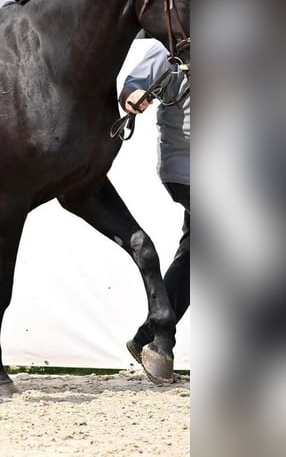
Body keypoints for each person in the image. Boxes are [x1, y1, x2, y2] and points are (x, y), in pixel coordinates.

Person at [120, 39, 190, 382]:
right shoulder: (170, 49)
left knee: (195, 256)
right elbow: (133, 84)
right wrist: (132, 96)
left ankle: (152, 339)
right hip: (191, 170)